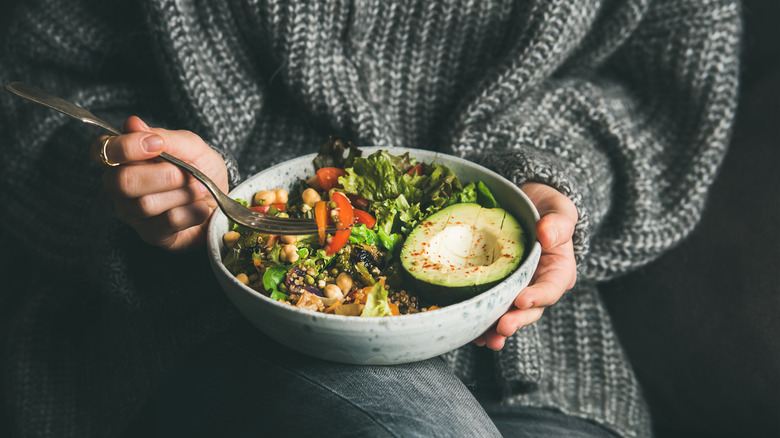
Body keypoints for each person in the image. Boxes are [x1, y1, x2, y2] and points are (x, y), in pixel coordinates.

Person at [0, 0, 741, 437]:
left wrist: (554, 185)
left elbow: (660, 87)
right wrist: (139, 181)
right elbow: (31, 87)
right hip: (197, 332)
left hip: (545, 363)